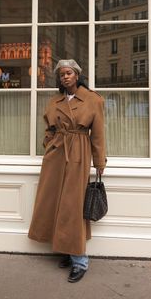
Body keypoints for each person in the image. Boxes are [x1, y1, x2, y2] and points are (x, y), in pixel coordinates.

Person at [28, 59, 107, 283]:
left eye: (69, 73)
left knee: (73, 206)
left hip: (79, 153)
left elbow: (99, 134)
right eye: (62, 74)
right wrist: (49, 144)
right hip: (56, 154)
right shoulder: (55, 101)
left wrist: (99, 161)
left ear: (77, 75)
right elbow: (48, 128)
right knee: (54, 203)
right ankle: (67, 251)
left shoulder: (93, 100)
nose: (65, 77)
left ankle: (80, 260)